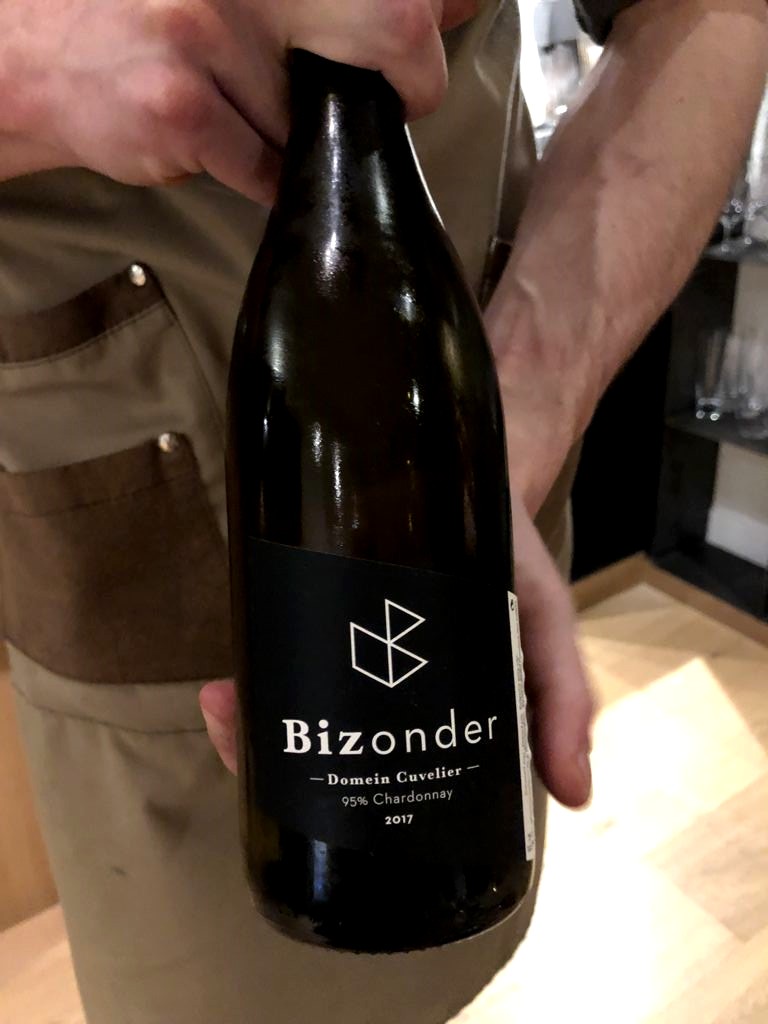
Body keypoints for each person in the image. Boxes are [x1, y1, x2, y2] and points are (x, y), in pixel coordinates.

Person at [0, 1, 765, 1021]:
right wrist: (27, 62)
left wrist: (519, 407)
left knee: (458, 941)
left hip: (474, 437)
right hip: (115, 512)